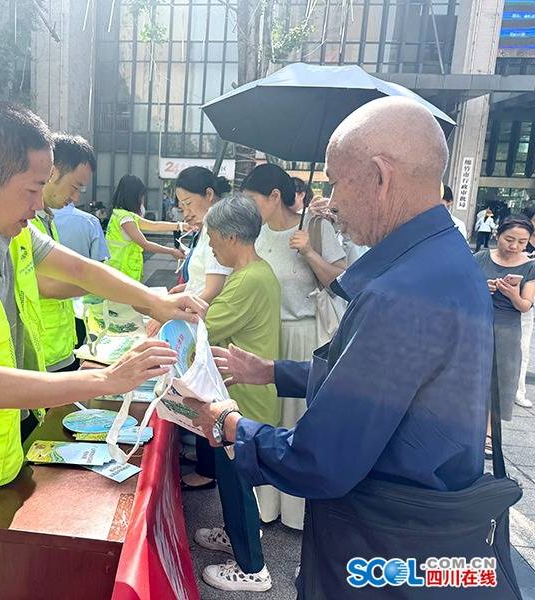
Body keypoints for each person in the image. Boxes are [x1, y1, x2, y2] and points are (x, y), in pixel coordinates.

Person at [0, 102, 206, 600]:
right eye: (32, 188)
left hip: (16, 426)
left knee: (7, 567)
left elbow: (77, 268)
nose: (40, 205)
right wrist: (107, 380)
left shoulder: (7, 230)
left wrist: (154, 301)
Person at [187, 97, 495, 598]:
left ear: (380, 177)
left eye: (336, 183)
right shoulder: (444, 260)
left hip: (379, 543)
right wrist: (274, 372)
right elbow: (385, 387)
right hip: (420, 532)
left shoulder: (402, 292)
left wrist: (230, 424)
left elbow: (320, 460)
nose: (329, 201)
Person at [241, 163, 347, 530]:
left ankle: (298, 513)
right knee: (267, 417)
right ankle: (265, 506)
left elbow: (342, 280)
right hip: (264, 335)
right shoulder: (255, 233)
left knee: (298, 421)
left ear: (274, 196)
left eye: (253, 200)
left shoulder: (315, 226)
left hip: (303, 336)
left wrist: (310, 253)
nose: (250, 208)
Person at [191, 195, 281, 592]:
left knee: (237, 482)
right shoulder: (256, 272)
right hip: (243, 393)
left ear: (230, 236)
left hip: (242, 400)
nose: (211, 245)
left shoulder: (248, 280)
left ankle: (252, 568)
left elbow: (207, 327)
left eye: (212, 237)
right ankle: (234, 535)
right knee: (232, 479)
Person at [166, 166, 233, 492]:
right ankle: (204, 455)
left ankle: (209, 467)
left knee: (205, 390)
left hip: (207, 320)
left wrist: (180, 305)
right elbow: (200, 280)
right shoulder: (205, 228)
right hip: (196, 317)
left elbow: (214, 287)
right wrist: (183, 292)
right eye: (181, 205)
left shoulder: (217, 230)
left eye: (189, 203)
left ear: (209, 195)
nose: (186, 211)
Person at [32, 133, 99, 372]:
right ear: (52, 171)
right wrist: (103, 286)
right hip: (39, 353)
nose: (76, 197)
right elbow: (48, 285)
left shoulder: (46, 218)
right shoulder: (23, 223)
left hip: (59, 346)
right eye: (75, 186)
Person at [475, 216, 535, 446]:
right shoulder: (481, 257)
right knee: (470, 375)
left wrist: (513, 295)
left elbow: (525, 305)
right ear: (497, 234)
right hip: (477, 323)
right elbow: (462, 286)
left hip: (507, 329)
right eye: (509, 239)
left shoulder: (530, 266)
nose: (514, 246)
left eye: (522, 242)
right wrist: (481, 288)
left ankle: (490, 432)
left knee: (500, 380)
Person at [105, 175, 185, 281]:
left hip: (118, 269)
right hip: (122, 271)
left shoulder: (120, 214)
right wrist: (172, 251)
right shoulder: (125, 219)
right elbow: (145, 244)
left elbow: (154, 225)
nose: (142, 201)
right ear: (133, 197)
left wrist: (181, 226)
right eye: (141, 197)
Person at [517, 206, 535, 408]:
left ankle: (519, 390)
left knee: (523, 349)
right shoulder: (519, 241)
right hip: (507, 302)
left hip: (528, 303)